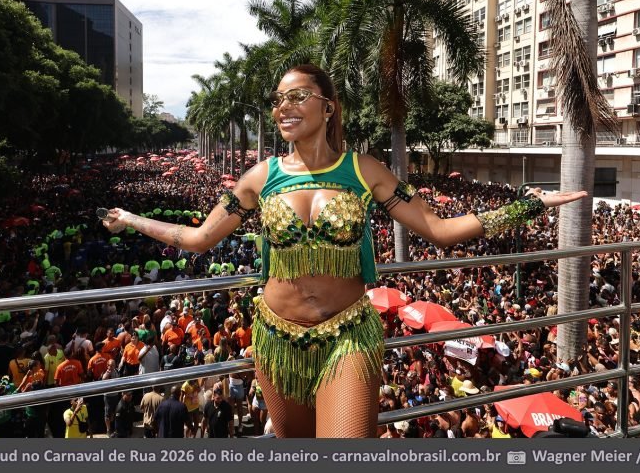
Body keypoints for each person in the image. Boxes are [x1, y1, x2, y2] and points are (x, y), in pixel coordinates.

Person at [102, 63, 586, 437]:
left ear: (328, 107)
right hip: (275, 340)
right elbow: (198, 238)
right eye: (278, 100)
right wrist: (130, 220)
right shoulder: (260, 177)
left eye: (297, 96)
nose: (283, 107)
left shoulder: (364, 170)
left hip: (347, 337)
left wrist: (524, 207)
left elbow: (437, 230)